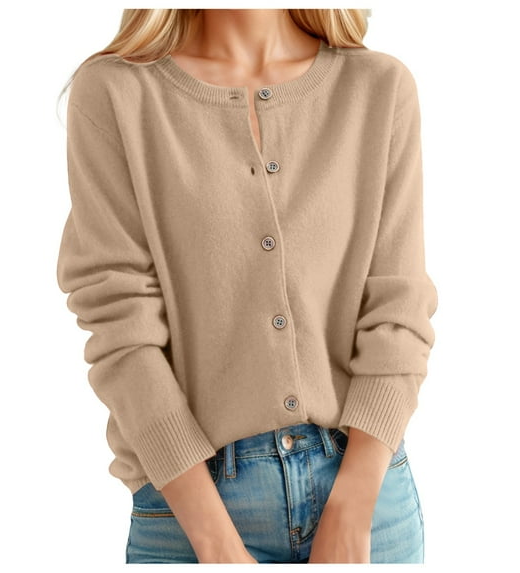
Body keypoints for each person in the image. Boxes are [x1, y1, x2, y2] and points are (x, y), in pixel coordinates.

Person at [56, 8, 438, 565]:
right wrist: (215, 542)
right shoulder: (116, 92)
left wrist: (354, 507)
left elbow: (399, 309)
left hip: (368, 498)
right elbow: (120, 325)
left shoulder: (378, 88)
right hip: (187, 510)